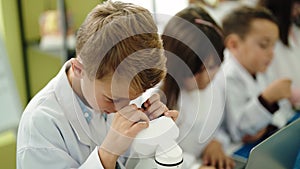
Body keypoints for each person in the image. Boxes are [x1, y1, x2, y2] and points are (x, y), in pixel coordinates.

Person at [16, 1, 178, 169]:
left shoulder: (119, 88)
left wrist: (150, 134)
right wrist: (107, 154)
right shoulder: (40, 125)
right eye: (112, 99)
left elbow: (131, 162)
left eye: (131, 99)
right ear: (79, 69)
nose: (121, 109)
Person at [160, 4, 234, 169]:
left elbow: (217, 127)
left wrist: (214, 142)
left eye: (213, 67)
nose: (205, 79)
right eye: (195, 72)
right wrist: (193, 167)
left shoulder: (217, 84)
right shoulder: (158, 98)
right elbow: (155, 155)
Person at [215, 6, 295, 145]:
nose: (271, 53)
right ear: (234, 44)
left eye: (273, 46)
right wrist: (267, 99)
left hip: (269, 138)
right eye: (264, 45)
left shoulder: (259, 69)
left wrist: (266, 126)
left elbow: (284, 111)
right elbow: (241, 132)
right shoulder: (228, 76)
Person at [257, 0, 300, 110]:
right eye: (295, 5)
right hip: (285, 111)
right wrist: (292, 94)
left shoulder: (294, 29)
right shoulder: (267, 40)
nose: (298, 10)